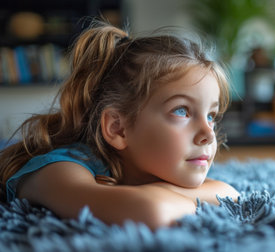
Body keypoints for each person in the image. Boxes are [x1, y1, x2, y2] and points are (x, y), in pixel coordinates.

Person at [0, 21, 239, 230]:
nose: (209, 134)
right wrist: (173, 195)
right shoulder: (61, 171)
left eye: (211, 115)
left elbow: (230, 194)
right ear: (118, 129)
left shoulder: (147, 165)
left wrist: (168, 193)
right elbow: (150, 211)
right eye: (181, 111)